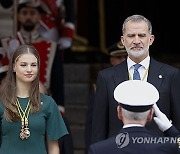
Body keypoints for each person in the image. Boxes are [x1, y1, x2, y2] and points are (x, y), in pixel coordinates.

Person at [91, 14, 180, 144]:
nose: (136, 41)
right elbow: (99, 128)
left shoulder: (171, 75)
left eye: (142, 35)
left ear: (151, 39)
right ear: (123, 40)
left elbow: (178, 123)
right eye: (131, 36)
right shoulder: (106, 77)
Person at [0, 44, 68, 154]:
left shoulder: (48, 103)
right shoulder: (2, 103)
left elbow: (54, 148)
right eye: (23, 65)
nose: (29, 69)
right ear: (13, 67)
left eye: (33, 65)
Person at [88, 80, 179, 154]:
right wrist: (170, 129)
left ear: (119, 112)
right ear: (150, 115)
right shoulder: (168, 147)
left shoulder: (99, 150)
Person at [84, 41, 127, 152]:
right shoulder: (103, 84)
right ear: (112, 60)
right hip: (112, 142)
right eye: (119, 57)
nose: (124, 60)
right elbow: (93, 122)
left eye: (126, 57)